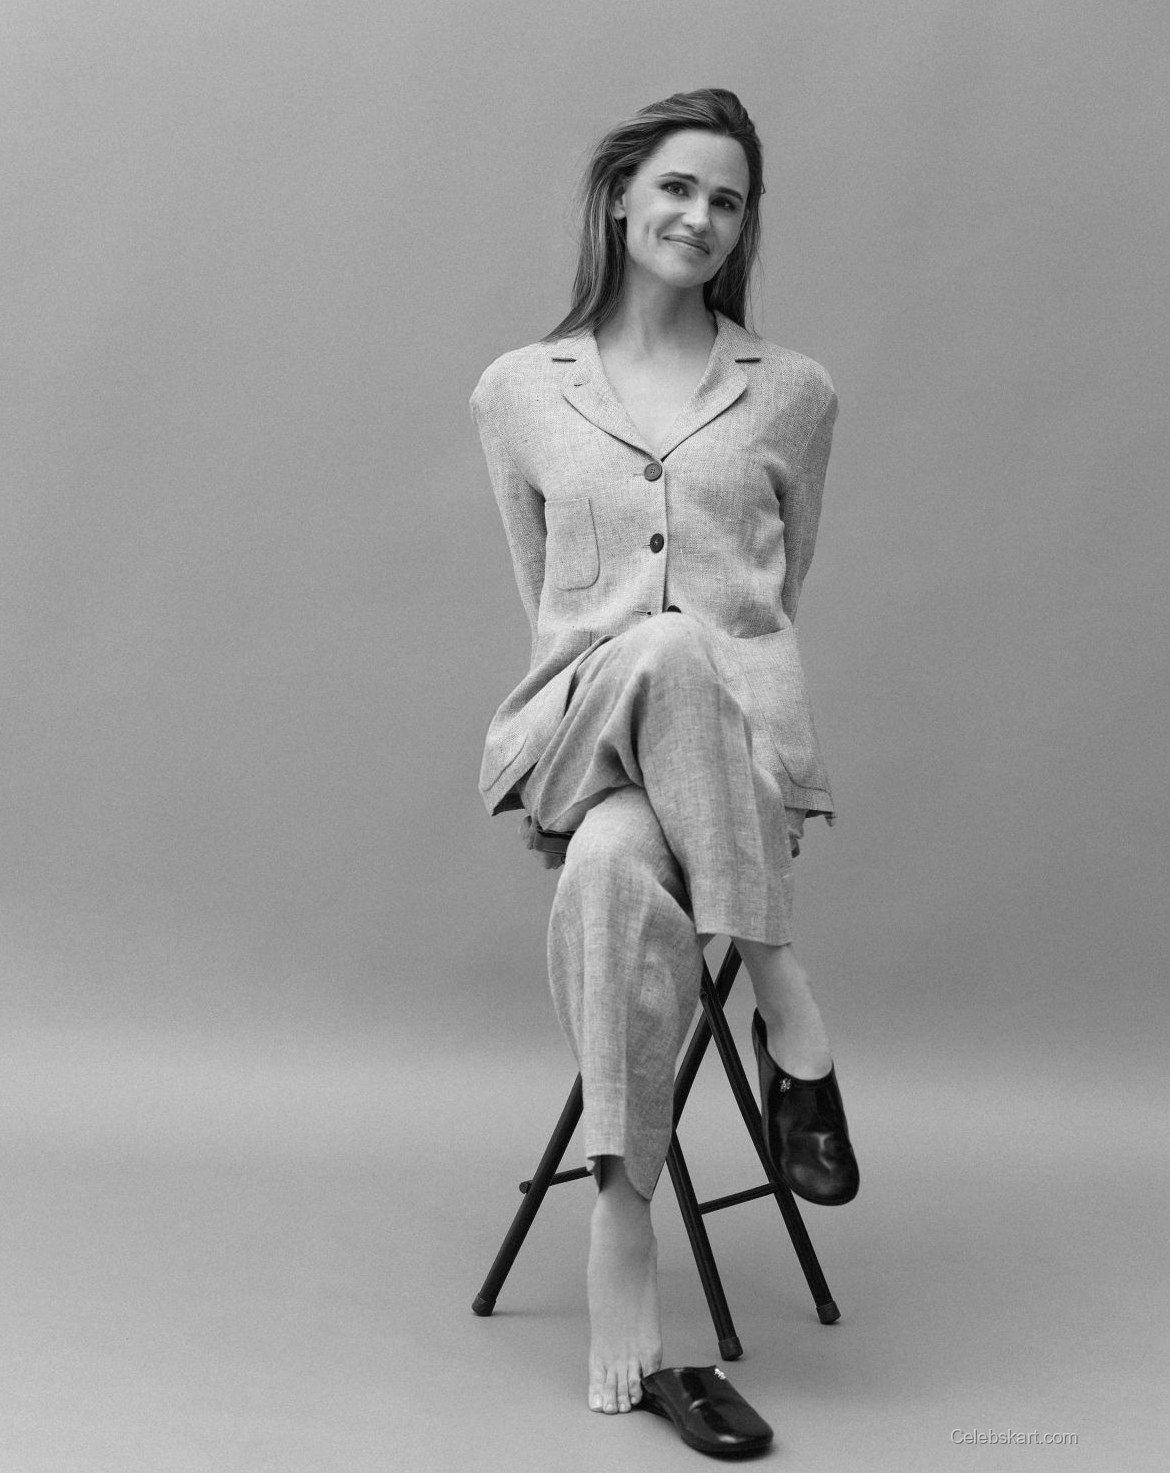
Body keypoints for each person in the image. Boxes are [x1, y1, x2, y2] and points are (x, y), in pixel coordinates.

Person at [470, 88, 859, 1426]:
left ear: (745, 227)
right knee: (665, 647)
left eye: (728, 201)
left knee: (615, 869)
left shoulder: (791, 393)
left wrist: (700, 721)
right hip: (576, 735)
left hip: (728, 772)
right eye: (679, 187)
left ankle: (619, 1228)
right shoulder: (519, 391)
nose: (701, 216)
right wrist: (649, 666)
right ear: (622, 196)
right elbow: (544, 598)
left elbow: (775, 599)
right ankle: (783, 992)